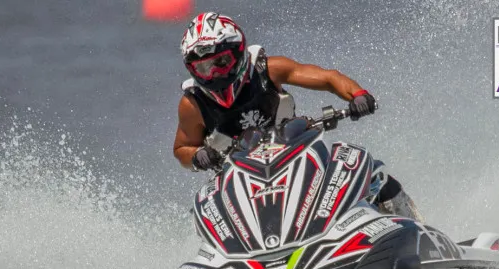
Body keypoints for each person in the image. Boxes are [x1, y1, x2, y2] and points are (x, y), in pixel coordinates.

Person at [173, 11, 423, 222]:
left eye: (220, 63)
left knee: (371, 172)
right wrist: (197, 156)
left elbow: (328, 78)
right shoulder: (192, 105)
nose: (213, 74)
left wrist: (358, 95)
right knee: (204, 214)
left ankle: (415, 231)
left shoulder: (269, 69)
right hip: (239, 180)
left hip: (297, 160)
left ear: (238, 52)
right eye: (203, 68)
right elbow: (182, 148)